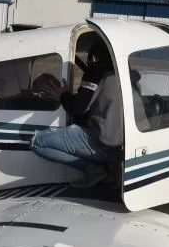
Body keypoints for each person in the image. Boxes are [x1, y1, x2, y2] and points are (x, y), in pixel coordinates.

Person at [30, 40, 134, 188]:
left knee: (37, 142)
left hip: (103, 144)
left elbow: (78, 107)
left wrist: (62, 96)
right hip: (125, 148)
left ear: (94, 58)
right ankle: (112, 169)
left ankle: (93, 170)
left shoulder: (96, 71)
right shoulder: (128, 74)